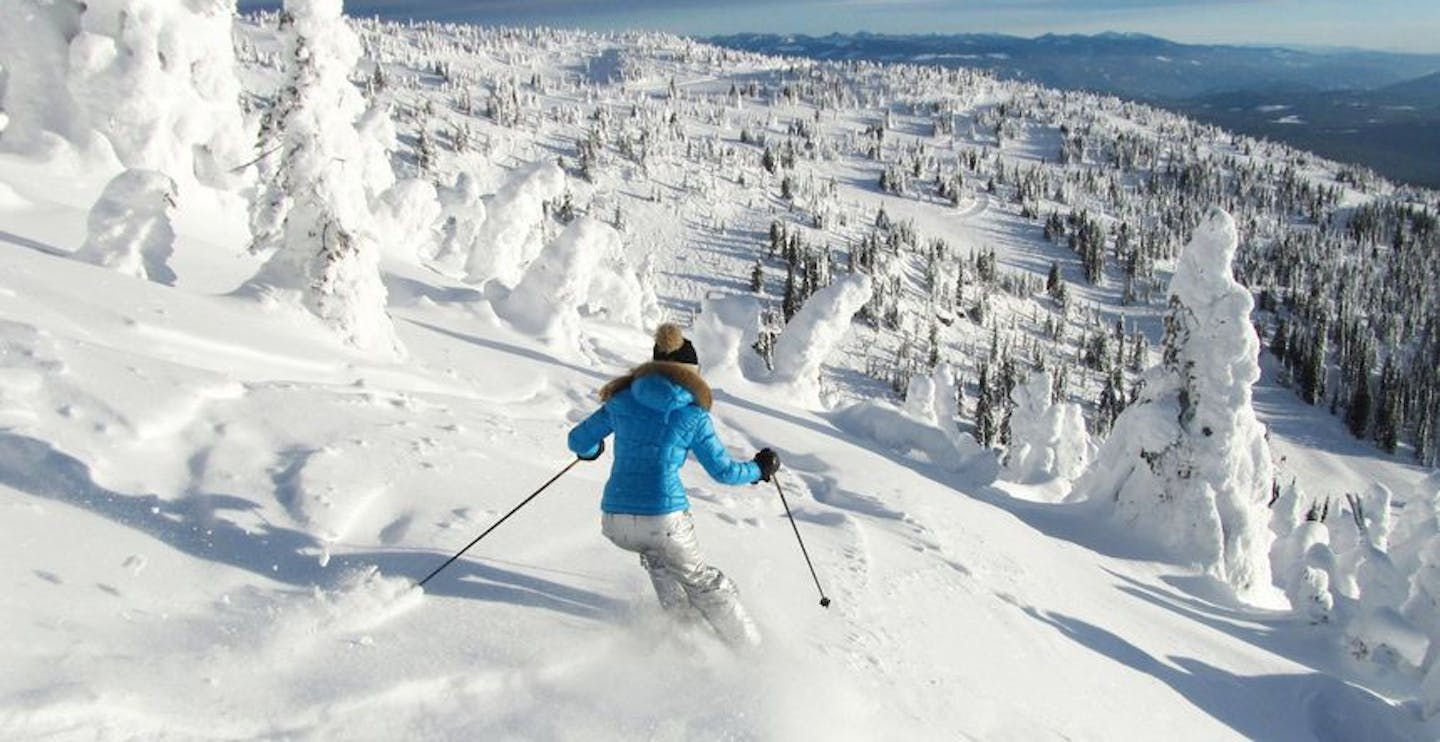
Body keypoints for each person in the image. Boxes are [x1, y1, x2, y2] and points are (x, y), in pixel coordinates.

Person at [568, 323, 780, 647]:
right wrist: (760, 469)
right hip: (663, 519)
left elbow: (578, 440)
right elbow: (724, 472)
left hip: (615, 521)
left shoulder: (621, 400)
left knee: (661, 563)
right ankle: (754, 652)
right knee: (702, 582)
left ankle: (688, 642)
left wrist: (591, 450)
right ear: (690, 373)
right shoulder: (692, 414)